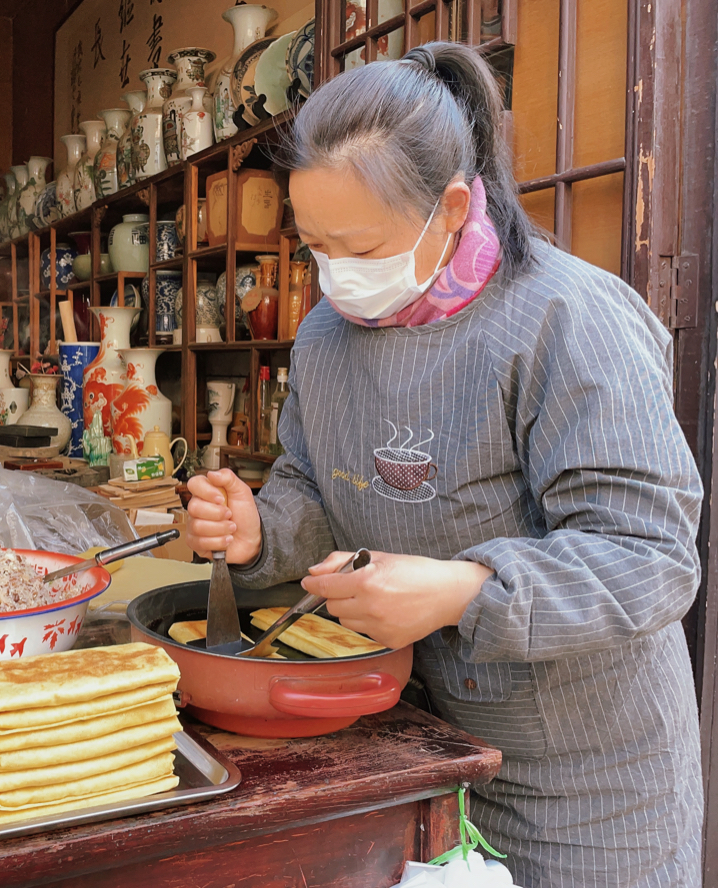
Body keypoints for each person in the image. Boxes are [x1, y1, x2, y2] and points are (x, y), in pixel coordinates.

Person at [185, 42, 703, 888]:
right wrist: (256, 530)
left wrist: (463, 589)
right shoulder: (326, 336)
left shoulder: (567, 320)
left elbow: (649, 556)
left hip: (588, 783)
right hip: (418, 742)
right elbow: (316, 487)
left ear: (455, 208)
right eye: (316, 246)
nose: (336, 277)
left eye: (359, 246)